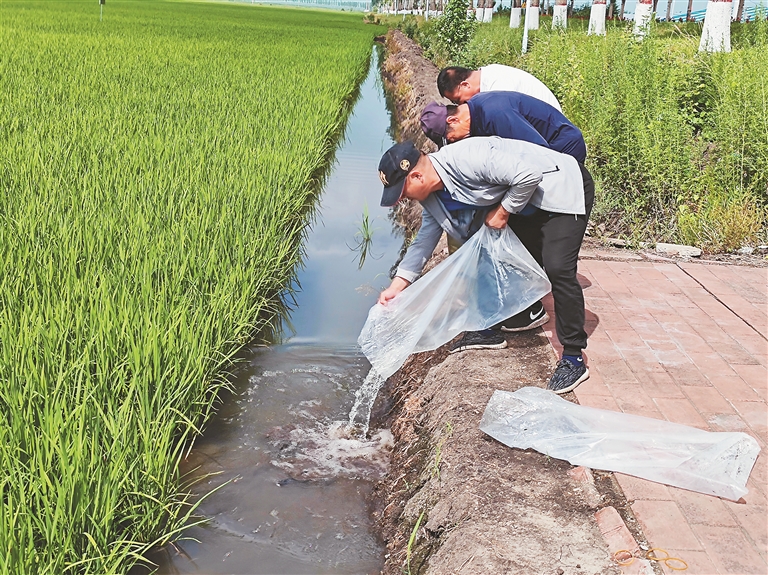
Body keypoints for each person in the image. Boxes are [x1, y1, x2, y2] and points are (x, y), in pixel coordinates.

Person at [376, 137, 594, 394]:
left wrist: (503, 211)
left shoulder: (467, 159)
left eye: (402, 193)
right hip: (526, 203)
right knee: (491, 252)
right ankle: (491, 328)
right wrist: (397, 287)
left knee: (557, 268)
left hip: (560, 189)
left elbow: (529, 175)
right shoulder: (433, 198)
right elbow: (423, 242)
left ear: (416, 177)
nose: (403, 201)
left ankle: (573, 357)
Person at [418, 91, 588, 332]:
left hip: (562, 155)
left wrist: (504, 209)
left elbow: (536, 157)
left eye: (451, 137)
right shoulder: (476, 118)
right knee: (516, 238)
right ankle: (525, 307)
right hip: (534, 172)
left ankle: (538, 312)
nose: (454, 142)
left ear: (452, 121)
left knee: (553, 258)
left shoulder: (496, 115)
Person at [437, 64, 561, 111]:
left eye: (458, 100)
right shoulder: (489, 77)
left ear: (465, 85)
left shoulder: (499, 86)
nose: (461, 105)